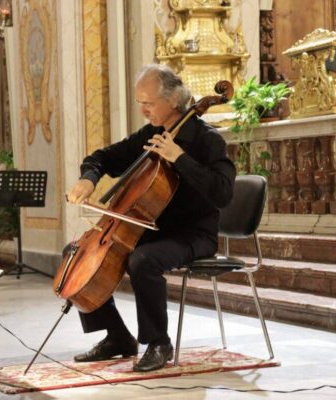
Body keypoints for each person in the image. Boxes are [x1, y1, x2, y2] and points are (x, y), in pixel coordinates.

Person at [65, 64, 236, 372]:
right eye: (139, 103)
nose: (142, 109)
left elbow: (222, 193)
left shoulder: (207, 140)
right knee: (75, 253)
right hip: (154, 229)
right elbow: (102, 157)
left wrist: (179, 158)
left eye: (148, 102)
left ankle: (159, 342)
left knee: (143, 260)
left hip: (193, 235)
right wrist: (89, 177)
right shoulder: (151, 135)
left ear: (173, 100)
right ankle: (117, 336)